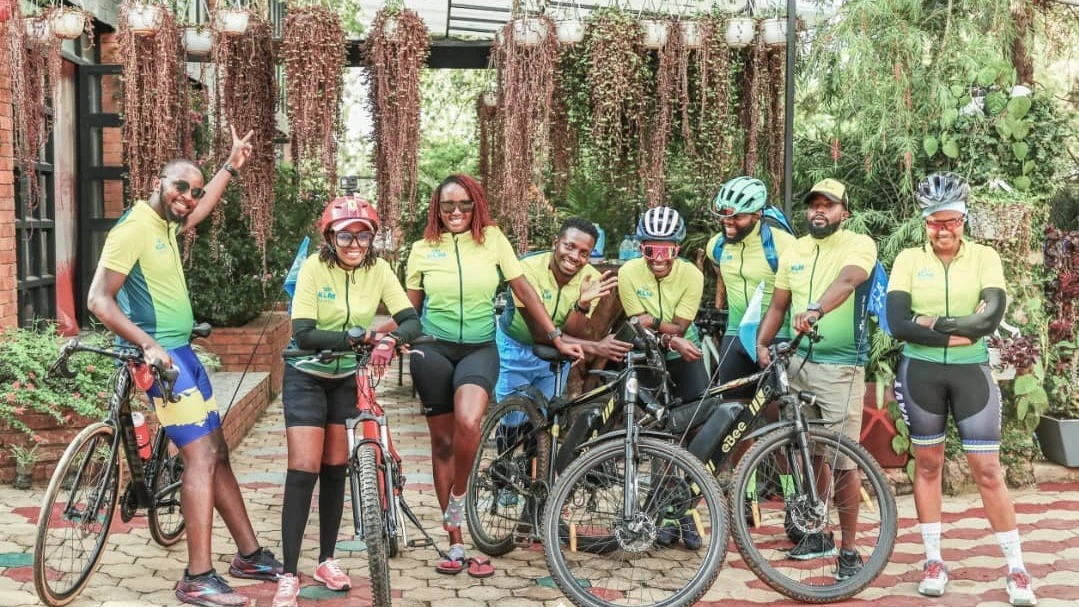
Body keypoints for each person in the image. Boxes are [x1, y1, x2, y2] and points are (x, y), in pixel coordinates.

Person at [87, 127, 282, 607]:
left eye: (192, 191)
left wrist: (231, 167)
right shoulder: (132, 229)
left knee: (217, 450)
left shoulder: (167, 223)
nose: (188, 198)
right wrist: (150, 346)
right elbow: (98, 300)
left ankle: (250, 555)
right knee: (199, 457)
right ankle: (197, 576)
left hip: (183, 355)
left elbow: (202, 207)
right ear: (158, 181)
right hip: (159, 362)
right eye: (180, 187)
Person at [405, 174, 584, 577]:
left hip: (479, 349)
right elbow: (410, 309)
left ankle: (460, 497)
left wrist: (555, 336)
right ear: (437, 209)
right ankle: (454, 540)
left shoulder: (494, 240)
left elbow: (524, 291)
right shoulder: (421, 250)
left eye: (464, 205)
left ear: (476, 206)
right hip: (431, 349)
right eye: (447, 205)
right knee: (443, 444)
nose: (455, 212)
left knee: (470, 422)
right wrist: (397, 340)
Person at [886, 172, 1036, 606]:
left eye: (951, 221)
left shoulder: (985, 257)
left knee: (988, 471)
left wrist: (930, 323)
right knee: (928, 465)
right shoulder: (909, 261)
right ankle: (933, 560)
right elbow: (897, 324)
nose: (944, 230)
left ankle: (1017, 568)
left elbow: (988, 320)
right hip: (920, 375)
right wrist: (957, 330)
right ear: (924, 222)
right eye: (935, 222)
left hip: (972, 375)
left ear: (964, 218)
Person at [272, 197, 423, 607]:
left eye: (363, 234)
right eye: (345, 234)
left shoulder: (379, 269)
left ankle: (325, 560)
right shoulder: (313, 269)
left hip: (344, 379)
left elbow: (412, 319)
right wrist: (355, 339)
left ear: (372, 238)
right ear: (330, 237)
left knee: (336, 469)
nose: (354, 243)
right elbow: (303, 333)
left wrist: (391, 338)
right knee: (303, 471)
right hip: (306, 375)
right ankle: (288, 574)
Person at [755, 178, 876, 581]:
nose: (819, 210)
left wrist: (816, 310)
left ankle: (849, 552)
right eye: (814, 205)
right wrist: (762, 344)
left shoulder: (859, 243)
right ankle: (817, 533)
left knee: (844, 460)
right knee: (809, 453)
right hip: (796, 364)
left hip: (841, 367)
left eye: (829, 204)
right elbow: (778, 303)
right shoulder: (795, 249)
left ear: (845, 211)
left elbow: (848, 281)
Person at [617, 206, 707, 549]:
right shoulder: (628, 272)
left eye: (666, 249)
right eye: (649, 249)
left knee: (692, 426)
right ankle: (661, 510)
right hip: (647, 355)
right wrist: (660, 328)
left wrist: (654, 324)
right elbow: (637, 325)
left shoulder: (692, 276)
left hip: (686, 353)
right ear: (640, 248)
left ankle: (683, 507)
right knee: (658, 429)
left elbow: (678, 327)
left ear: (677, 250)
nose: (658, 258)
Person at [495, 216, 630, 403]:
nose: (575, 257)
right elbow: (540, 333)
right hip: (516, 347)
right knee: (512, 421)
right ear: (556, 243)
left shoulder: (591, 277)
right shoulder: (527, 269)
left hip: (556, 354)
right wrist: (597, 347)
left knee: (544, 416)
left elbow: (572, 332)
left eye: (584, 253)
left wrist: (582, 305)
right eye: (569, 246)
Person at [705, 176, 796, 397]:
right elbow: (721, 270)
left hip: (777, 335)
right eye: (725, 215)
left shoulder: (783, 245)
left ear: (757, 215)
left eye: (738, 217)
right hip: (736, 333)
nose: (729, 222)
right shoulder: (716, 245)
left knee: (778, 409)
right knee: (731, 411)